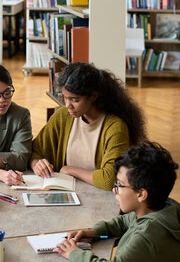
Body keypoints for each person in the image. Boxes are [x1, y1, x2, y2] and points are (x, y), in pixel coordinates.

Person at [30, 62, 146, 190]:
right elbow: (33, 150)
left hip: (100, 199)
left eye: (75, 100)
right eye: (65, 98)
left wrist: (70, 170)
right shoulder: (63, 116)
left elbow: (109, 180)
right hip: (64, 193)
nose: (68, 105)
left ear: (93, 96)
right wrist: (36, 163)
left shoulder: (115, 128)